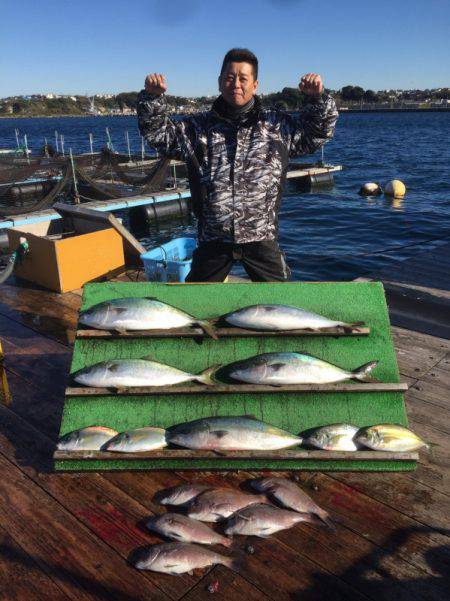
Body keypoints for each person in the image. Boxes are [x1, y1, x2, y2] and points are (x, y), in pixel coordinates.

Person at [137, 48, 338, 282]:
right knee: (195, 304)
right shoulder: (197, 128)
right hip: (213, 237)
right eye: (230, 78)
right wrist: (152, 98)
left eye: (243, 78)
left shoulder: (276, 126)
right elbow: (159, 135)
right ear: (220, 82)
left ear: (255, 84)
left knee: (282, 304)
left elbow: (318, 132)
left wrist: (317, 98)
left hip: (261, 235)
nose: (236, 84)